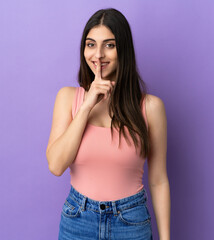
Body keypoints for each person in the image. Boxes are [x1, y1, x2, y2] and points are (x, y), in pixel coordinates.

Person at [46, 8, 170, 240]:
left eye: (109, 45)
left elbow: (159, 179)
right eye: (91, 44)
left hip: (131, 222)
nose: (99, 54)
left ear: (123, 49)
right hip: (78, 220)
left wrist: (165, 238)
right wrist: (86, 106)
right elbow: (56, 165)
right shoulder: (67, 98)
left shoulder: (151, 108)